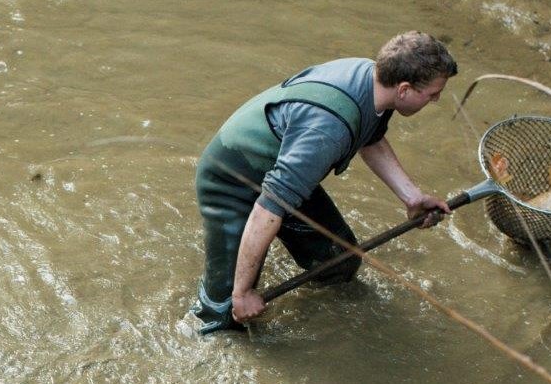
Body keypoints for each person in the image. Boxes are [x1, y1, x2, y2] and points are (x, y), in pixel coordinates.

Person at [192, 31, 457, 334]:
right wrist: (242, 293)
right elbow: (267, 209)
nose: (436, 99)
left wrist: (412, 198)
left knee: (338, 262)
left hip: (282, 166)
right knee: (226, 313)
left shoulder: (376, 84)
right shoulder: (328, 129)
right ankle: (212, 319)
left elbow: (370, 138)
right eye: (433, 94)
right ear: (405, 89)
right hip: (231, 179)